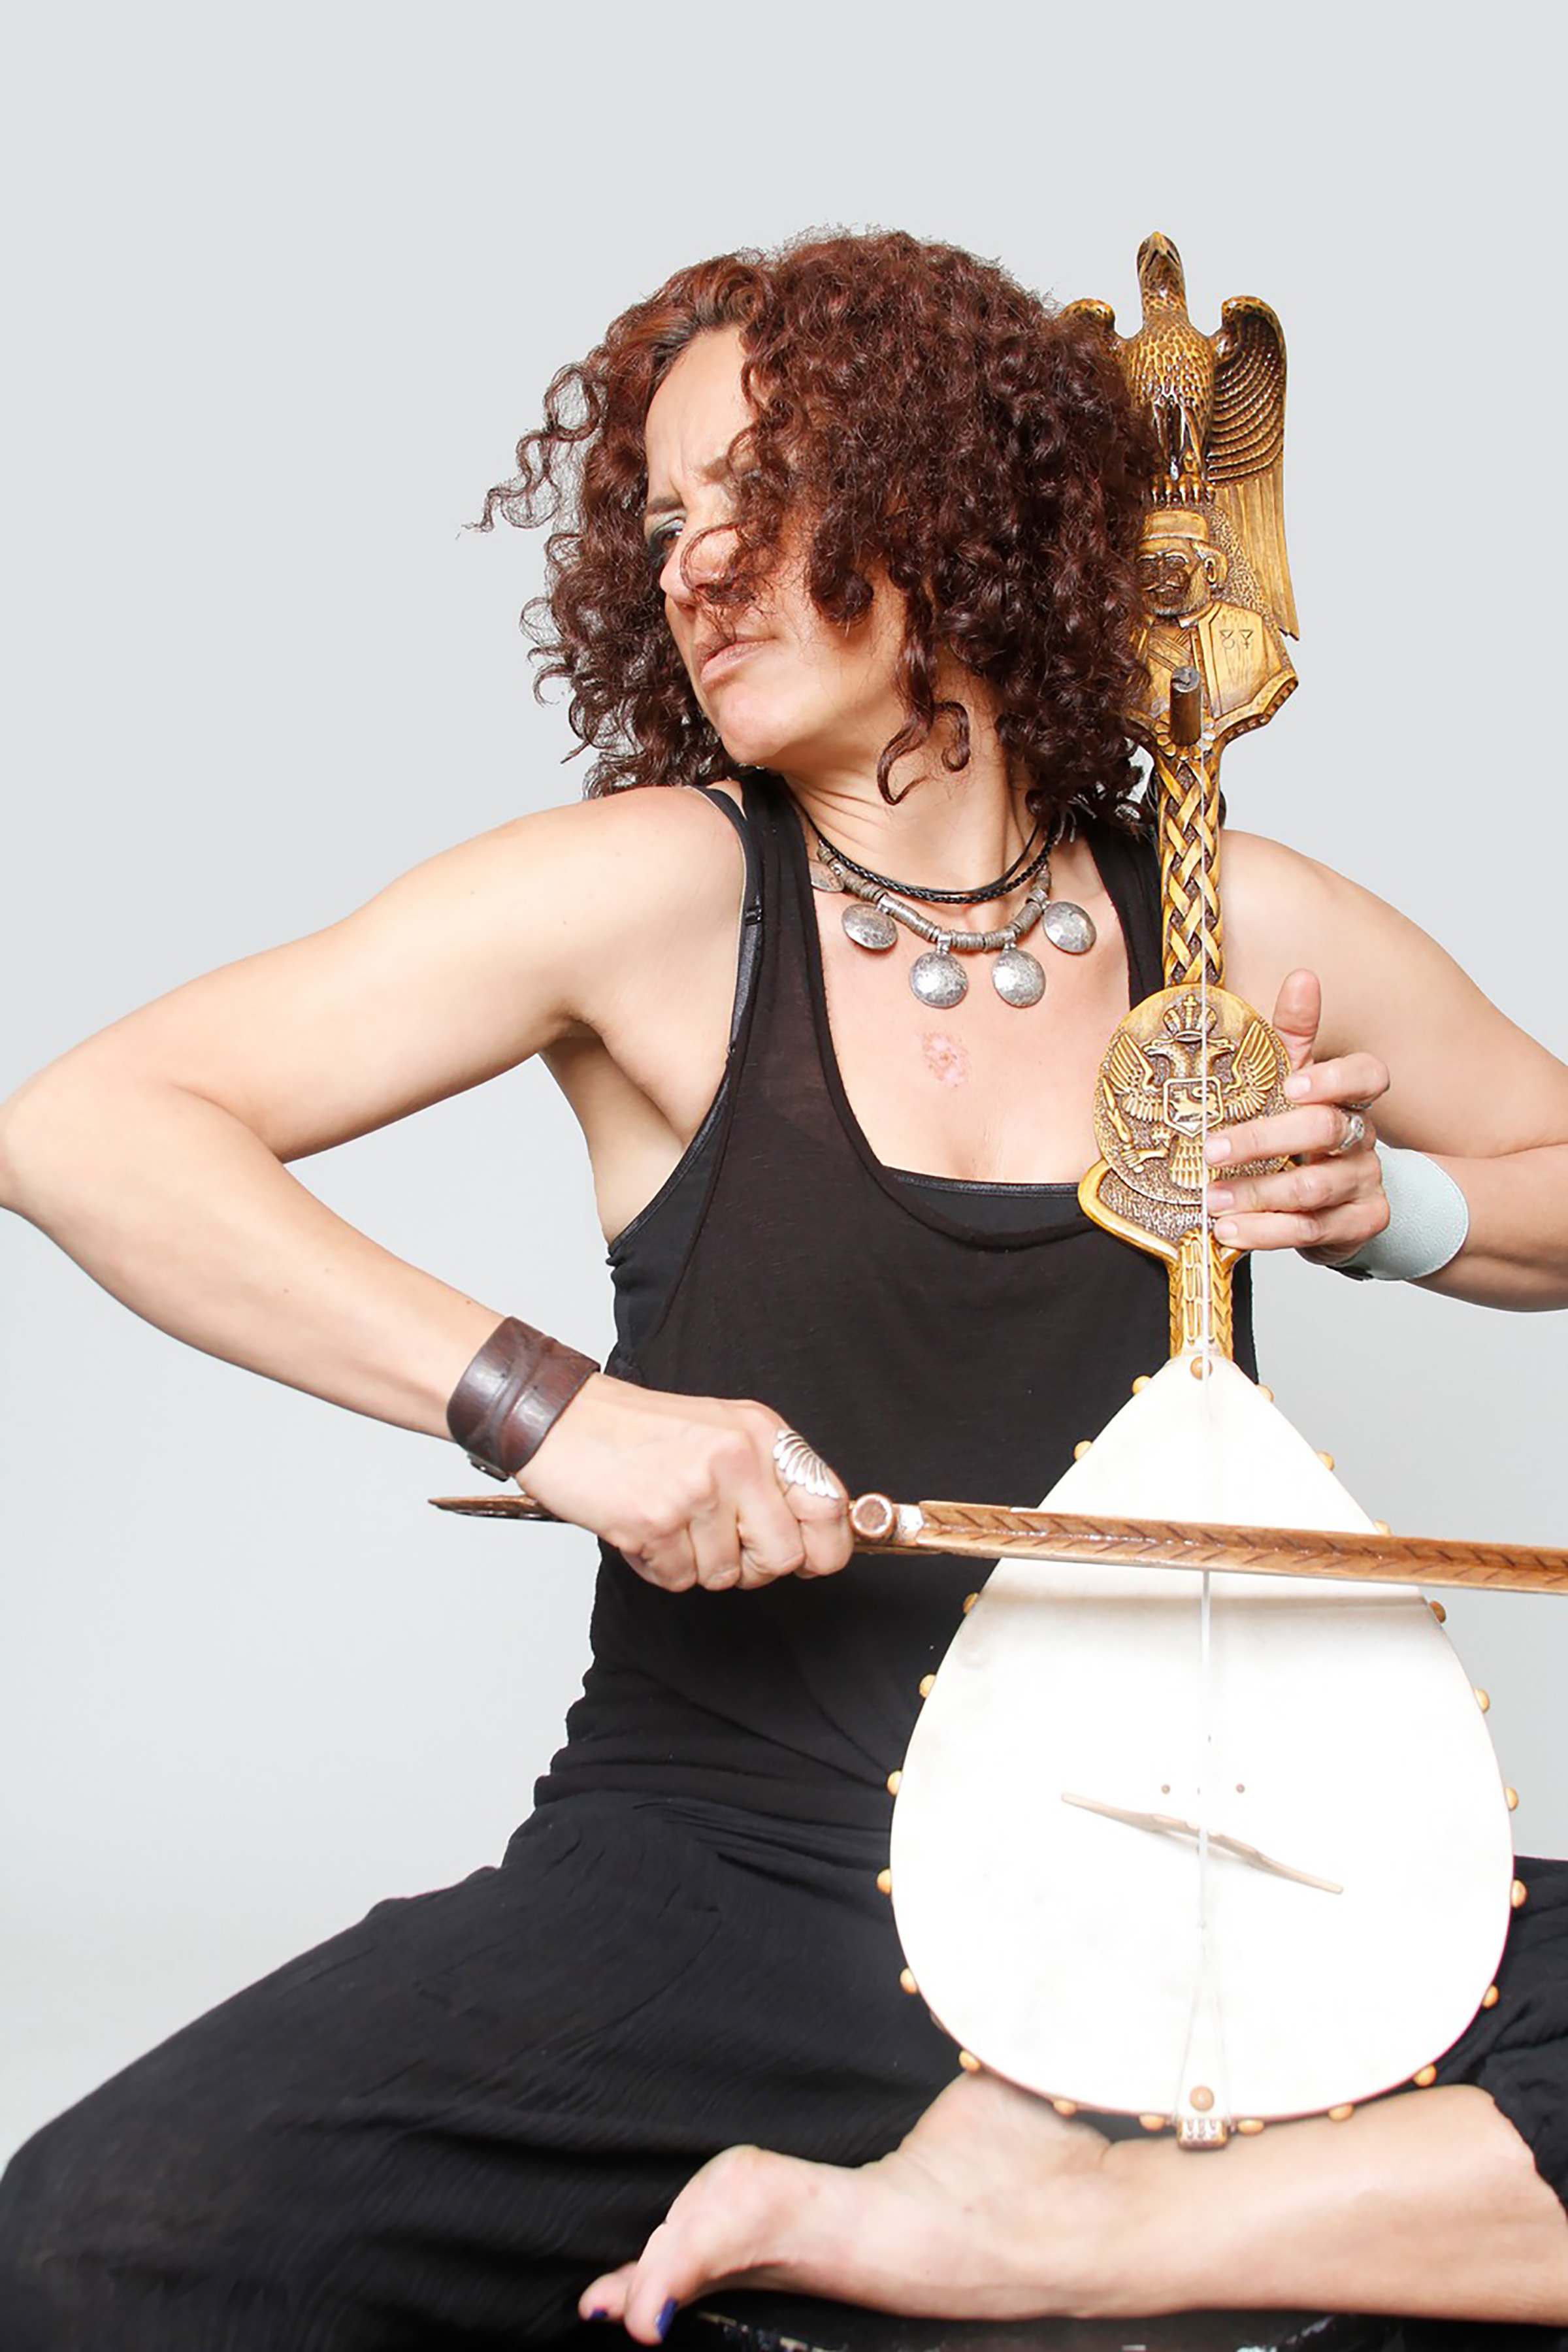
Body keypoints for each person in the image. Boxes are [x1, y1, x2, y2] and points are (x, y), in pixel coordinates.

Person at [1, 230, 1566, 2347]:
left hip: (1183, 1876)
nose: (696, 567)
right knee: (97, 2252)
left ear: (957, 508)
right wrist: (560, 1415)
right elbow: (87, 1127)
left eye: (764, 493)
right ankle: (1073, 2198)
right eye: (665, 521)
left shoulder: (1227, 913)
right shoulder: (656, 893)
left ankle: (1070, 2219)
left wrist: (1394, 1208)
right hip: (729, 1886)